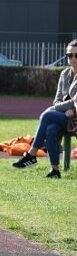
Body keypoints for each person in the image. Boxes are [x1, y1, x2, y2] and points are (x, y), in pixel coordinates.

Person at [12, 39, 77, 179]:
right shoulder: (64, 74)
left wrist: (60, 108)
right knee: (50, 129)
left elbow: (74, 103)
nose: (73, 58)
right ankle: (55, 171)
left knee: (47, 115)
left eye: (76, 55)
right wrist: (63, 107)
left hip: (75, 119)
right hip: (63, 117)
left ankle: (31, 155)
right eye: (69, 55)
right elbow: (57, 100)